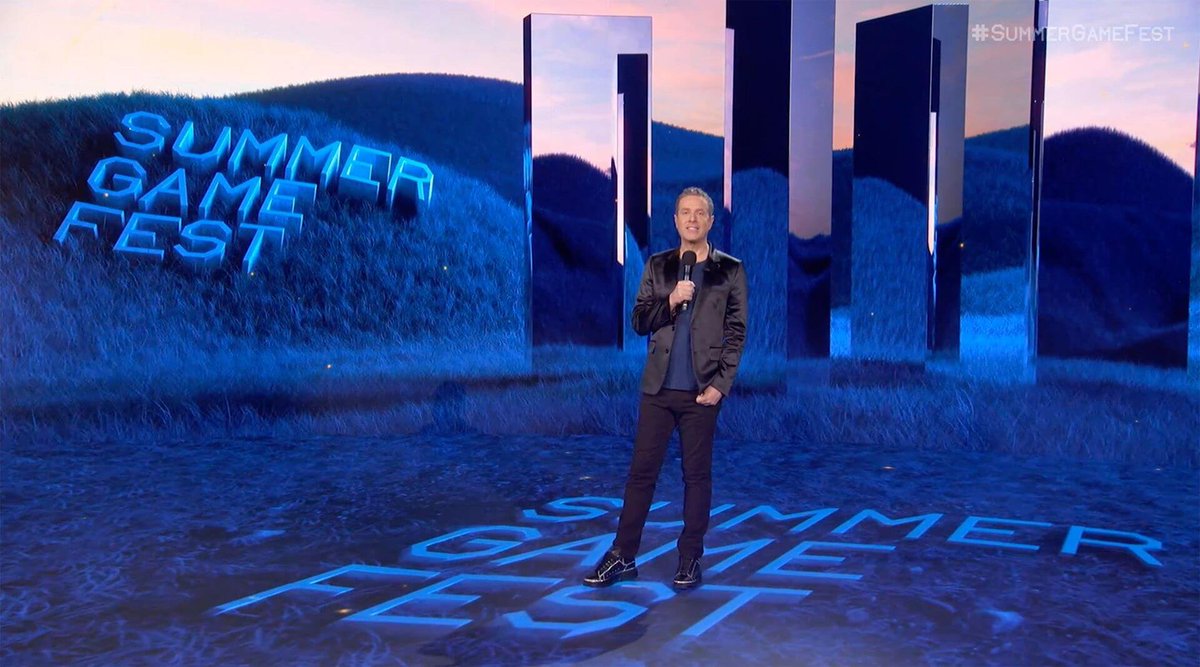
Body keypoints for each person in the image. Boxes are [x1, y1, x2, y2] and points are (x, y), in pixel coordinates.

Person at [584, 186, 747, 590]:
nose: (692, 219)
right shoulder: (658, 266)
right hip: (658, 390)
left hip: (701, 393)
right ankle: (623, 556)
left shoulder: (730, 270)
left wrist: (721, 385)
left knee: (696, 477)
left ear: (711, 221)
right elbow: (639, 321)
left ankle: (689, 559)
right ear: (675, 221)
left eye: (700, 213)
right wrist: (671, 300)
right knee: (641, 475)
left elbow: (736, 333)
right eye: (685, 212)